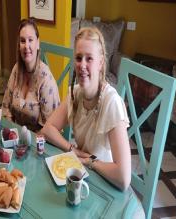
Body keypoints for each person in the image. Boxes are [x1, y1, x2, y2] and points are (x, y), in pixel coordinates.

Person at [40, 27, 131, 191]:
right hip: (82, 175)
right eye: (78, 58)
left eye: (89, 58)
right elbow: (48, 129)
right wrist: (71, 149)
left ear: (101, 63)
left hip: (106, 181)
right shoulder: (75, 93)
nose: (82, 65)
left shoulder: (111, 102)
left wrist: (90, 161)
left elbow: (123, 178)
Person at [2, 18, 60, 132]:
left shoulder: (45, 79)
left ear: (38, 43)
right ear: (19, 45)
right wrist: (12, 134)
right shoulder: (16, 69)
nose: (26, 46)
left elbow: (50, 129)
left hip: (38, 141)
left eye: (30, 40)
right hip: (15, 137)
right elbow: (6, 108)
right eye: (22, 41)